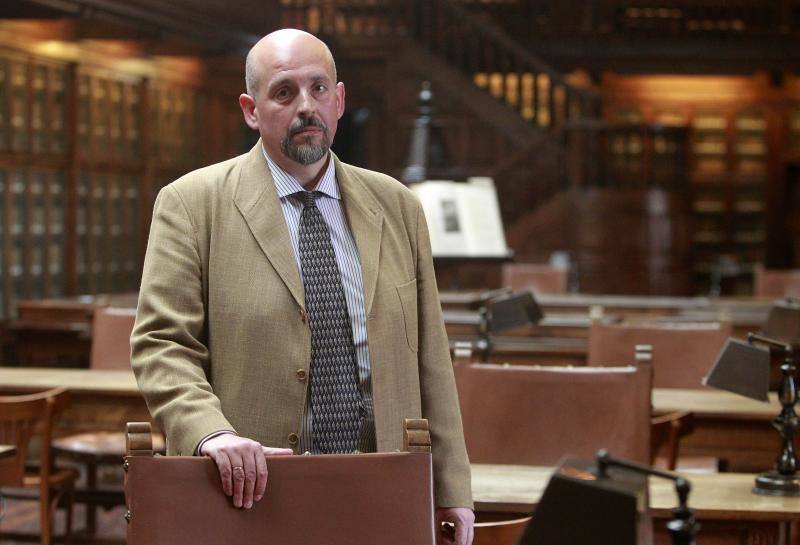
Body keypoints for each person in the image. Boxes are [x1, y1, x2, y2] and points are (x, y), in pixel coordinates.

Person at [131, 28, 474, 545]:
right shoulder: (191, 203)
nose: (305, 107)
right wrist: (210, 432)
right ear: (251, 109)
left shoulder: (398, 205)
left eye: (318, 89)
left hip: (382, 485)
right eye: (284, 92)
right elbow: (161, 343)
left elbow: (431, 357)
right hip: (251, 491)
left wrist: (452, 487)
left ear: (340, 100)